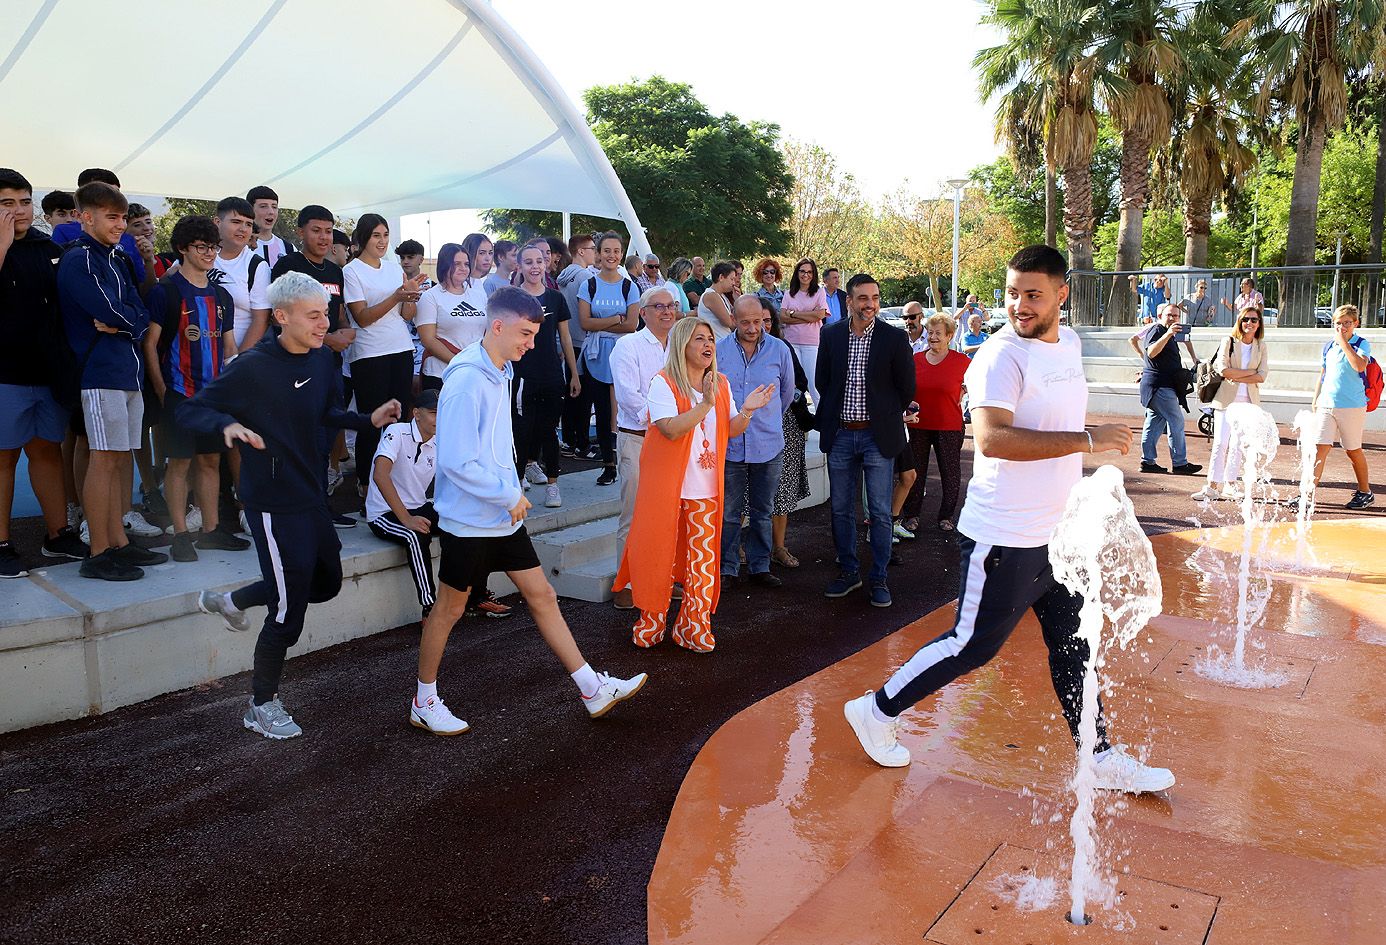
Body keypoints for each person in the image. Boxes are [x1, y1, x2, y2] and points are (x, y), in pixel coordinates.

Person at [842, 244, 1176, 797]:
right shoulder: (1001, 356)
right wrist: (1088, 441)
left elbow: (1055, 420)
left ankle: (1101, 757)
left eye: (1032, 295)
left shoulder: (1067, 343)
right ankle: (876, 709)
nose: (1019, 305)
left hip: (1059, 534)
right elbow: (993, 439)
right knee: (973, 645)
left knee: (1075, 645)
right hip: (1004, 534)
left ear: (1061, 294)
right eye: (1012, 293)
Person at [409, 287, 647, 735]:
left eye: (535, 334)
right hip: (469, 521)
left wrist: (507, 493)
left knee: (542, 596)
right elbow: (456, 461)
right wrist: (507, 494)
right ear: (496, 326)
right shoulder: (465, 380)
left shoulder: (501, 368)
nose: (531, 344)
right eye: (525, 333)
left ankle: (592, 688)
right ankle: (424, 700)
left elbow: (493, 447)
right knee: (448, 611)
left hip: (499, 515)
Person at [180, 271, 401, 738]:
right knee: (287, 610)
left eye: (326, 314)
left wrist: (367, 419)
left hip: (310, 494)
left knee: (325, 583)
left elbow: (326, 413)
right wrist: (227, 426)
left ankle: (230, 600)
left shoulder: (322, 361)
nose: (325, 324)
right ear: (281, 317)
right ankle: (261, 704)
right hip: (272, 502)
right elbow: (192, 407)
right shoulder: (252, 366)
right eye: (314, 315)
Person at [614, 318, 777, 651]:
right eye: (699, 339)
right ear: (682, 345)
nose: (707, 345)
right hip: (666, 490)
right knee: (658, 558)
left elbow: (731, 430)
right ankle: (652, 623)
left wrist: (746, 410)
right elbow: (670, 429)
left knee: (702, 564)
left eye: (710, 340)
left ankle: (693, 627)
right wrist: (704, 404)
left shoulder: (720, 383)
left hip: (705, 490)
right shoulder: (663, 382)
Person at [57, 181, 166, 581]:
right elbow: (108, 310)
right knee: (103, 460)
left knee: (119, 459)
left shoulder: (117, 258)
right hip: (98, 374)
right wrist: (129, 322)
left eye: (122, 217)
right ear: (86, 217)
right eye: (111, 217)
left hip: (126, 369)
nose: (120, 224)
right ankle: (98, 551)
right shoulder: (80, 259)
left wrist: (127, 324)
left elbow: (138, 311)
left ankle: (118, 541)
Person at [142, 214, 250, 561]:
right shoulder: (166, 291)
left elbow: (230, 347)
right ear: (182, 249)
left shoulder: (222, 297)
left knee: (209, 461)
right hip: (179, 393)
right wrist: (162, 391)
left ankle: (210, 530)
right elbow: (151, 345)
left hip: (214, 398)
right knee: (179, 464)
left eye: (213, 247)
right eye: (201, 247)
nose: (209, 253)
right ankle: (181, 535)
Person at [0, 169, 88, 578]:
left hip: (47, 374)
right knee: (3, 459)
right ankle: (1, 544)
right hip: (4, 374)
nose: (17, 211)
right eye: (5, 203)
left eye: (22, 201)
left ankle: (58, 534)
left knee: (46, 452)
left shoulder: (46, 245)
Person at [815, 273, 915, 608]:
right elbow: (822, 381)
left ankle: (880, 578)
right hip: (841, 433)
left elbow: (906, 389)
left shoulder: (893, 338)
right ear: (850, 301)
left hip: (877, 437)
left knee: (881, 513)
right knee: (841, 509)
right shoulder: (830, 336)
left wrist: (885, 417)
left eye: (874, 298)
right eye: (862, 298)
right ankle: (849, 572)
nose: (869, 304)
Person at [272, 205, 358, 526]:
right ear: (300, 232)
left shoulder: (335, 271)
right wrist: (326, 339)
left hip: (329, 368)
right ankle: (297, 508)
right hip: (296, 366)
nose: (323, 237)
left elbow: (338, 316)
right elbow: (279, 318)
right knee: (299, 440)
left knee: (324, 440)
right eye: (316, 230)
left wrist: (346, 330)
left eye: (327, 231)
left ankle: (321, 504)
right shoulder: (288, 267)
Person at [609, 286, 682, 611]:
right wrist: (667, 419)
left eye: (672, 306)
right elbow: (627, 396)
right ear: (643, 312)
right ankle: (625, 586)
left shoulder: (679, 349)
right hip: (638, 439)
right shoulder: (627, 346)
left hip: (673, 443)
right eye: (658, 306)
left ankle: (661, 579)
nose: (667, 311)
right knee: (634, 514)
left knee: (667, 515)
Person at [344, 214, 425, 503]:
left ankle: (395, 485)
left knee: (400, 422)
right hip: (369, 355)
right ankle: (366, 483)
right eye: (376, 235)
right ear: (363, 238)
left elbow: (405, 316)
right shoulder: (352, 271)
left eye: (385, 235)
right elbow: (362, 318)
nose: (382, 241)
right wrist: (397, 296)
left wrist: (411, 297)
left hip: (401, 350)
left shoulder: (393, 269)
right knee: (373, 422)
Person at [718, 295, 795, 587]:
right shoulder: (720, 351)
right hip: (731, 445)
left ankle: (760, 567)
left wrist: (767, 419)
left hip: (768, 445)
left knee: (763, 510)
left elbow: (786, 394)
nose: (753, 328)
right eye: (745, 322)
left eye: (758, 321)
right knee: (729, 513)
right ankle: (727, 568)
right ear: (734, 321)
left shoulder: (779, 349)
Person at [513, 241, 580, 509]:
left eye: (539, 261)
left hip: (551, 374)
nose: (535, 266)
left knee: (549, 431)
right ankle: (516, 482)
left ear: (547, 263)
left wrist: (574, 373)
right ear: (520, 266)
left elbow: (565, 337)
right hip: (521, 376)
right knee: (521, 431)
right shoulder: (511, 297)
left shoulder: (555, 298)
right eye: (528, 262)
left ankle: (553, 485)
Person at [367, 389, 441, 619]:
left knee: (462, 523)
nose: (440, 419)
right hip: (384, 512)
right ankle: (430, 607)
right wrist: (406, 519)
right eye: (434, 413)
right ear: (416, 413)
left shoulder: (443, 441)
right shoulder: (396, 431)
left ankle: (473, 595)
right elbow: (381, 475)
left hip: (419, 505)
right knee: (415, 536)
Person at [577, 231, 640, 486]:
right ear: (599, 254)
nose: (611, 255)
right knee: (602, 412)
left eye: (616, 251)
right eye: (606, 251)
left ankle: (628, 463)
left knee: (624, 411)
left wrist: (600, 324)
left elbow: (632, 325)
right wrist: (616, 319)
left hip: (623, 355)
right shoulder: (588, 285)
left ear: (621, 254)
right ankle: (608, 465)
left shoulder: (629, 286)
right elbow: (584, 323)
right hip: (595, 357)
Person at [1300, 304, 1375, 510]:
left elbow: (1359, 366)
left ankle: (1365, 491)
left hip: (1351, 406)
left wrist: (1343, 342)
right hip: (1327, 404)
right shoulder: (1329, 346)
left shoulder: (1361, 343)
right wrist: (1316, 400)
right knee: (1319, 448)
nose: (1342, 327)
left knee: (1353, 450)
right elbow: (1323, 374)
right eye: (1338, 323)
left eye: (1347, 323)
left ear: (1355, 324)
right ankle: (1306, 495)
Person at [901, 314, 970, 532]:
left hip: (949, 425)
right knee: (915, 472)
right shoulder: (915, 360)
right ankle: (912, 515)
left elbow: (979, 382)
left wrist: (965, 389)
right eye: (930, 333)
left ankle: (947, 516)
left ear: (949, 336)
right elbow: (905, 388)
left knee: (950, 473)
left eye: (938, 333)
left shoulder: (962, 361)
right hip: (918, 424)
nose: (933, 337)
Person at [1192, 307, 1269, 502]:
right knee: (1221, 443)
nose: (1249, 323)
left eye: (1253, 320)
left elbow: (1262, 376)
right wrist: (1249, 373)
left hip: (1249, 402)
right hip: (1226, 400)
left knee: (1237, 445)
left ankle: (1230, 484)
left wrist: (1238, 373)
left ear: (1259, 323)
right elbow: (1224, 370)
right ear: (1240, 322)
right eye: (1245, 320)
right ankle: (1211, 486)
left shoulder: (1261, 346)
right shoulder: (1229, 341)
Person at [50, 169, 153, 295]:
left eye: (117, 194)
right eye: (105, 193)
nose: (115, 200)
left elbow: (140, 287)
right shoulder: (65, 233)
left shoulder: (127, 239)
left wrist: (148, 261)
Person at [766, 298, 812, 569]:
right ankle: (739, 547)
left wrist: (784, 398)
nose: (761, 326)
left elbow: (801, 381)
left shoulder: (783, 347)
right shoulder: (731, 350)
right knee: (745, 490)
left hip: (786, 425)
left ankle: (779, 547)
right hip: (748, 426)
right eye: (755, 320)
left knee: (782, 489)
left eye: (767, 321)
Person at [1132, 302, 1202, 476]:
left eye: (1176, 316)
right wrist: (1169, 333)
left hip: (1160, 386)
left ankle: (1147, 461)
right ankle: (1180, 463)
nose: (1172, 318)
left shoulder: (1169, 333)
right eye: (1169, 315)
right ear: (1160, 316)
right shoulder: (1156, 330)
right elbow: (1152, 353)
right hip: (1159, 385)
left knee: (1154, 422)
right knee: (1176, 421)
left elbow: (1186, 340)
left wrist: (1194, 358)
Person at [415, 243, 484, 392]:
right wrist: (460, 362)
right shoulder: (430, 297)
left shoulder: (479, 295)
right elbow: (428, 340)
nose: (463, 268)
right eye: (456, 264)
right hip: (440, 374)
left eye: (466, 264)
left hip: (474, 372)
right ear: (445, 265)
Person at [212, 196, 272, 351]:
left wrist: (237, 363)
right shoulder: (197, 253)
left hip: (237, 356)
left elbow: (261, 320)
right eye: (236, 222)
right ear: (217, 222)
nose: (243, 229)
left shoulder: (256, 265)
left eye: (248, 224)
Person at [558, 233, 599, 459]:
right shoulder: (585, 277)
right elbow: (591, 312)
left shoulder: (563, 277)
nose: (596, 252)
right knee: (584, 396)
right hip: (583, 342)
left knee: (572, 394)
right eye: (592, 248)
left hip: (568, 342)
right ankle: (582, 444)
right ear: (581, 251)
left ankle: (570, 440)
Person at [780, 258, 829, 407]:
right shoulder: (789, 294)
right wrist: (809, 316)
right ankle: (795, 421)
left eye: (809, 272)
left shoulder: (819, 293)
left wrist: (793, 314)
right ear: (797, 273)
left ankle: (823, 421)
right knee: (792, 384)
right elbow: (782, 317)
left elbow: (820, 315)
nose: (805, 275)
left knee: (814, 385)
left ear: (813, 274)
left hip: (811, 344)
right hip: (792, 343)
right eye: (802, 271)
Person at [246, 186, 290, 269]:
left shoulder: (288, 248)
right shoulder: (239, 246)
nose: (271, 212)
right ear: (250, 209)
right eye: (263, 206)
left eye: (274, 207)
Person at [696, 261, 738, 340]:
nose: (733, 283)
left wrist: (737, 299)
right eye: (731, 279)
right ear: (721, 277)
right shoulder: (711, 296)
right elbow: (729, 323)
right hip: (717, 343)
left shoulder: (722, 296)